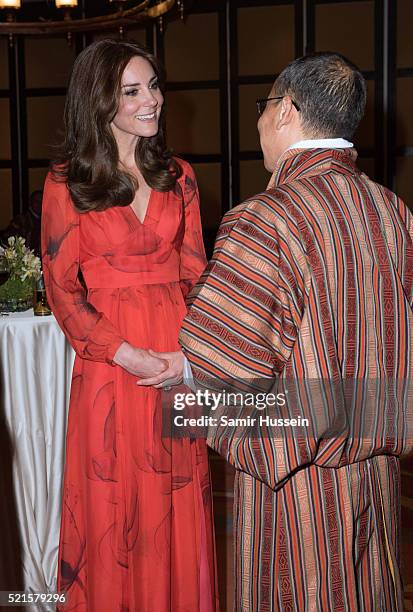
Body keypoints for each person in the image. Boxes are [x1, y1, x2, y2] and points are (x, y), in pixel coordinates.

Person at [141, 52, 413, 610]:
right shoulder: (393, 211)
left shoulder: (266, 218)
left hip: (297, 487)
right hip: (378, 473)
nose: (261, 123)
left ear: (287, 110)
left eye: (264, 108)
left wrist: (189, 373)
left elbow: (226, 363)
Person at [41, 39, 218, 612]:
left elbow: (198, 275)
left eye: (154, 86)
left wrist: (186, 359)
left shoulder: (180, 176)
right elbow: (62, 290)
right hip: (110, 370)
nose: (153, 101)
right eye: (133, 91)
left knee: (177, 502)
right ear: (99, 101)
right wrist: (125, 354)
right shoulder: (66, 182)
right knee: (112, 507)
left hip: (176, 366)